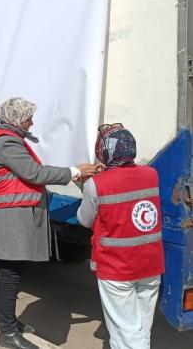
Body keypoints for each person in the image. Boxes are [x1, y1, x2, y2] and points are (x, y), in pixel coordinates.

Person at [0, 97, 98, 349]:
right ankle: (8, 333)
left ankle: (5, 320)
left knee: (7, 271)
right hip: (8, 219)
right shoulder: (7, 142)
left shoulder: (7, 140)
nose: (31, 122)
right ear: (16, 119)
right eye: (28, 117)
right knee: (10, 273)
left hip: (7, 216)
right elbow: (35, 173)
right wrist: (74, 172)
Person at [77, 124, 164, 349]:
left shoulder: (97, 184)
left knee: (125, 330)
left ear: (104, 151)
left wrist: (85, 185)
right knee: (142, 327)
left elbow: (85, 220)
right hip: (151, 264)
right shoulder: (151, 174)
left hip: (116, 268)